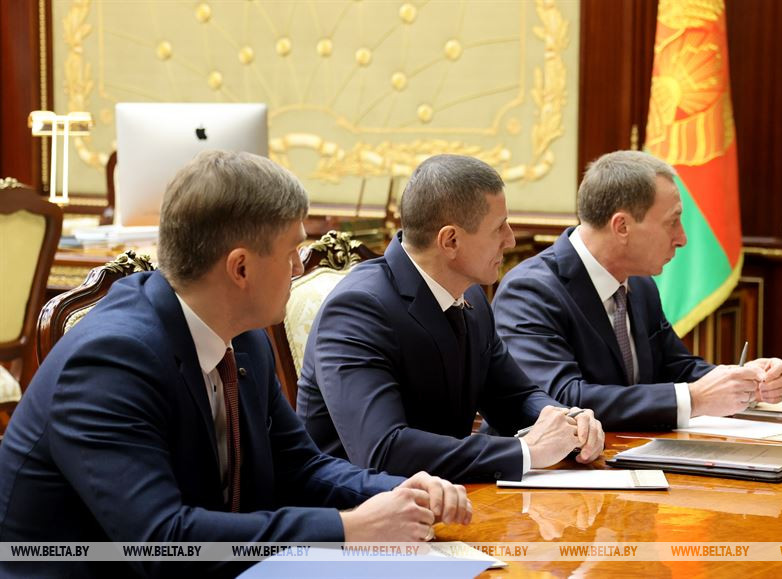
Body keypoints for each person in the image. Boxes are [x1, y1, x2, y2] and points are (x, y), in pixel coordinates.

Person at [0, 151, 470, 578]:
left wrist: (397, 492)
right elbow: (163, 543)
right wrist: (347, 529)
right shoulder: (110, 361)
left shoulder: (243, 337)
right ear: (240, 268)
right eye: (291, 252)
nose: (297, 269)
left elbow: (300, 467)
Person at [296, 154, 604, 483]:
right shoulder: (357, 309)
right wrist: (527, 451)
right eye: (499, 227)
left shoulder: (472, 296)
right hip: (359, 505)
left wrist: (567, 421)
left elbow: (514, 396)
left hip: (450, 493)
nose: (511, 239)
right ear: (450, 241)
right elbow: (384, 451)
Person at [492, 150, 782, 431]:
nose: (682, 238)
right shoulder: (530, 292)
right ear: (622, 226)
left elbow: (676, 367)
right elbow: (562, 400)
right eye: (672, 222)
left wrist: (743, 380)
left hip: (628, 452)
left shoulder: (640, 283)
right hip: (551, 464)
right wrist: (695, 398)